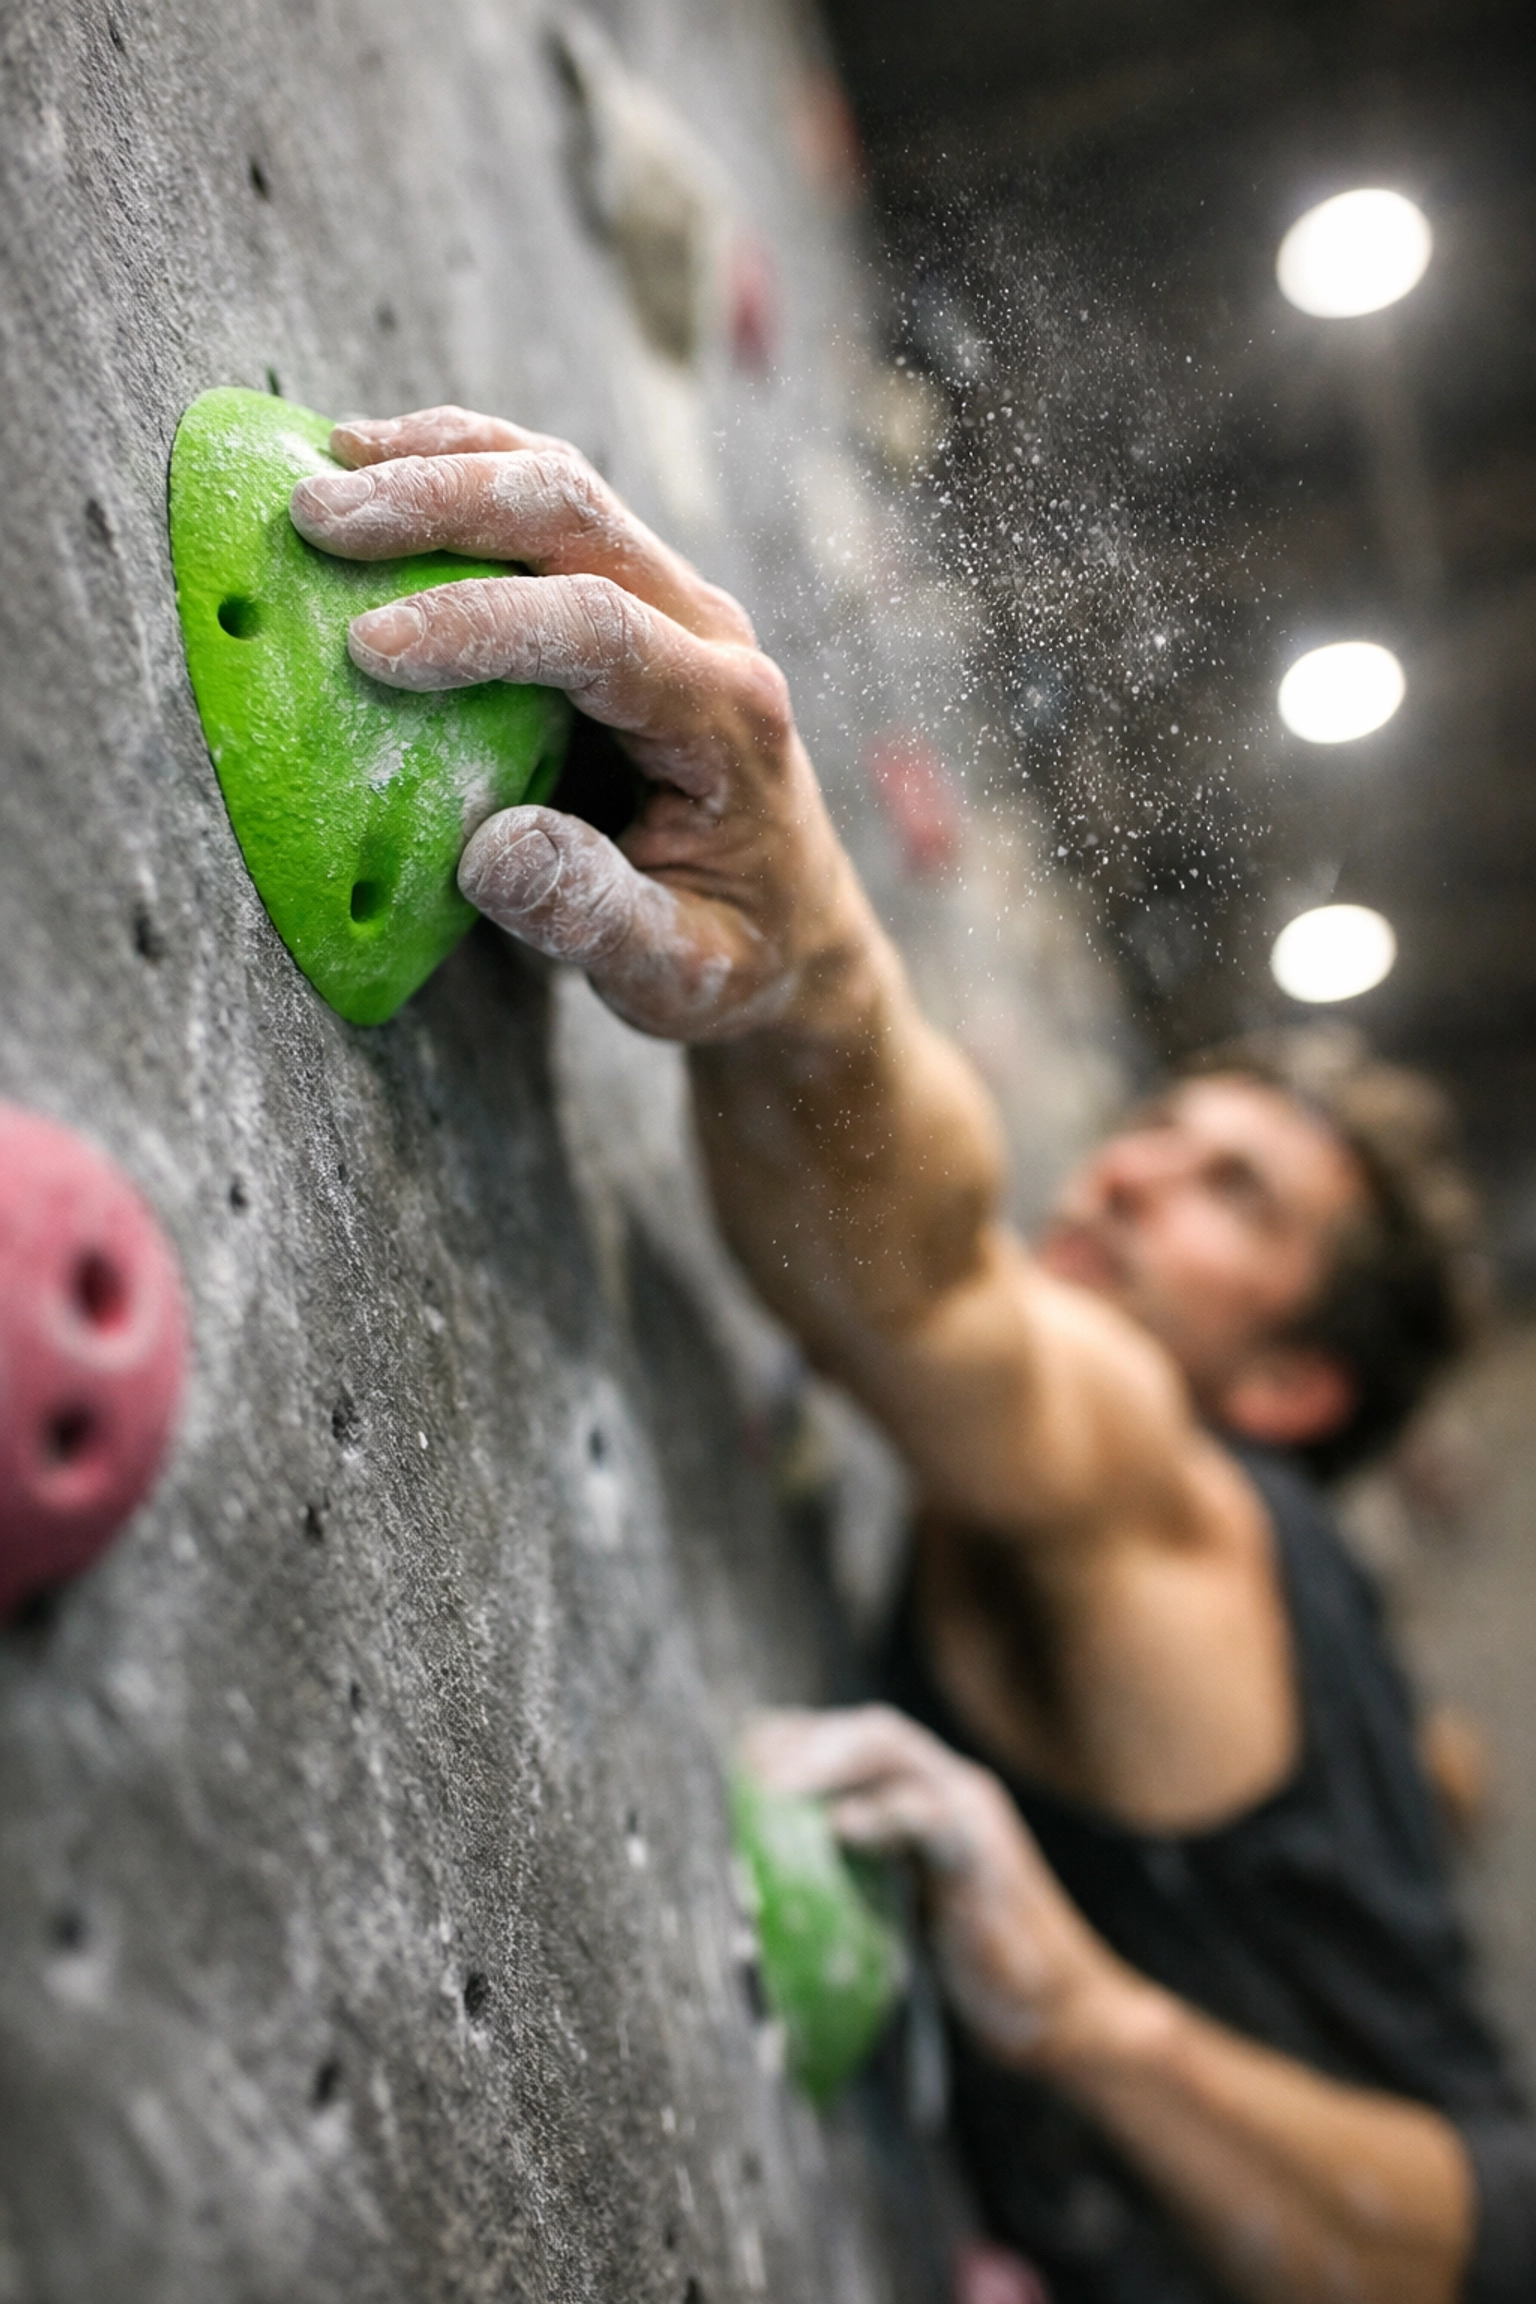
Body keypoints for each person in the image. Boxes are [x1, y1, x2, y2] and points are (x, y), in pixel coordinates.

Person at [290, 406, 1536, 2304]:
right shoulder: (1069, 1498)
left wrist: (1087, 2023)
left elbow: (939, 1288)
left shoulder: (1199, 1504)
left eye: (1235, 1198)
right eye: (1165, 1129)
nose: (1128, 1174)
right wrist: (781, 999)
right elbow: (896, 1278)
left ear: (1290, 1395)